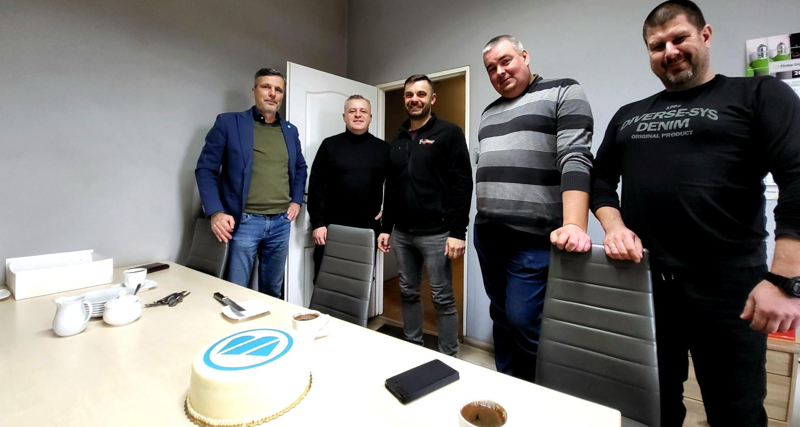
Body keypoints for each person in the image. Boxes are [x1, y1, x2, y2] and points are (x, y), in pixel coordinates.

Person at [591, 2, 800, 425]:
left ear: (705, 35)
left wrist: (784, 280)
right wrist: (614, 227)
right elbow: (599, 180)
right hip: (644, 282)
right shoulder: (629, 115)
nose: (669, 51)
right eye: (657, 45)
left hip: (729, 287)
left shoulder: (758, 94)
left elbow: (797, 175)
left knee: (735, 411)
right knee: (652, 406)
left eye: (679, 38)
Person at [476, 35, 594, 382]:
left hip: (533, 237)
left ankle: (543, 392)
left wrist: (575, 224)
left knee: (523, 320)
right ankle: (507, 384)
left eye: (506, 61)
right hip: (488, 234)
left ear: (525, 56)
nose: (500, 71)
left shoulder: (563, 91)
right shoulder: (488, 112)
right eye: (491, 68)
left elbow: (575, 157)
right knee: (500, 315)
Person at [378, 74, 473, 356]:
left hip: (437, 233)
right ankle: (413, 346)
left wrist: (458, 232)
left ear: (432, 98)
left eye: (421, 94)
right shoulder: (398, 139)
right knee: (408, 292)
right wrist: (386, 227)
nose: (414, 99)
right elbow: (392, 187)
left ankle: (449, 356)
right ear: (404, 99)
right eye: (409, 94)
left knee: (442, 297)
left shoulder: (449, 133)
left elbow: (462, 184)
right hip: (403, 234)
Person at [196, 68, 307, 298]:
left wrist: (296, 200)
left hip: (281, 222)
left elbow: (300, 168)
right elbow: (205, 169)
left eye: (278, 90)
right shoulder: (229, 123)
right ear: (254, 90)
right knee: (235, 291)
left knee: (273, 291)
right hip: (244, 222)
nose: (272, 93)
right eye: (266, 87)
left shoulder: (290, 131)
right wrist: (216, 212)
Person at [307, 95, 388, 281]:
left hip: (367, 230)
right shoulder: (329, 145)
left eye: (363, 111)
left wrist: (387, 213)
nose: (358, 115)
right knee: (326, 281)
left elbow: (395, 186)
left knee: (359, 283)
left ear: (370, 117)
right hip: (331, 229)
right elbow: (316, 185)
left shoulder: (384, 149)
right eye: (352, 111)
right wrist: (318, 223)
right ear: (344, 117)